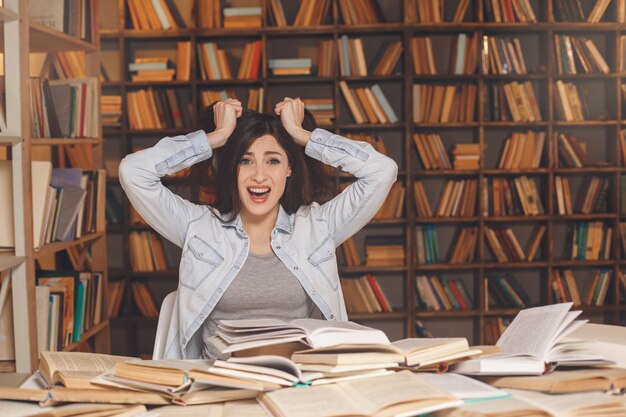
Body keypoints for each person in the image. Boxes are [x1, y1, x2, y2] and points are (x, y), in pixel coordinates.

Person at [119, 97, 398, 359]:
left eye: (273, 160)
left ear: (289, 168)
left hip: (296, 379)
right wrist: (216, 138)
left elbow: (382, 171)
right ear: (233, 168)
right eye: (246, 160)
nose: (259, 176)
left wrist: (302, 135)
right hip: (220, 380)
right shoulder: (199, 227)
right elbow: (133, 172)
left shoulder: (318, 227)